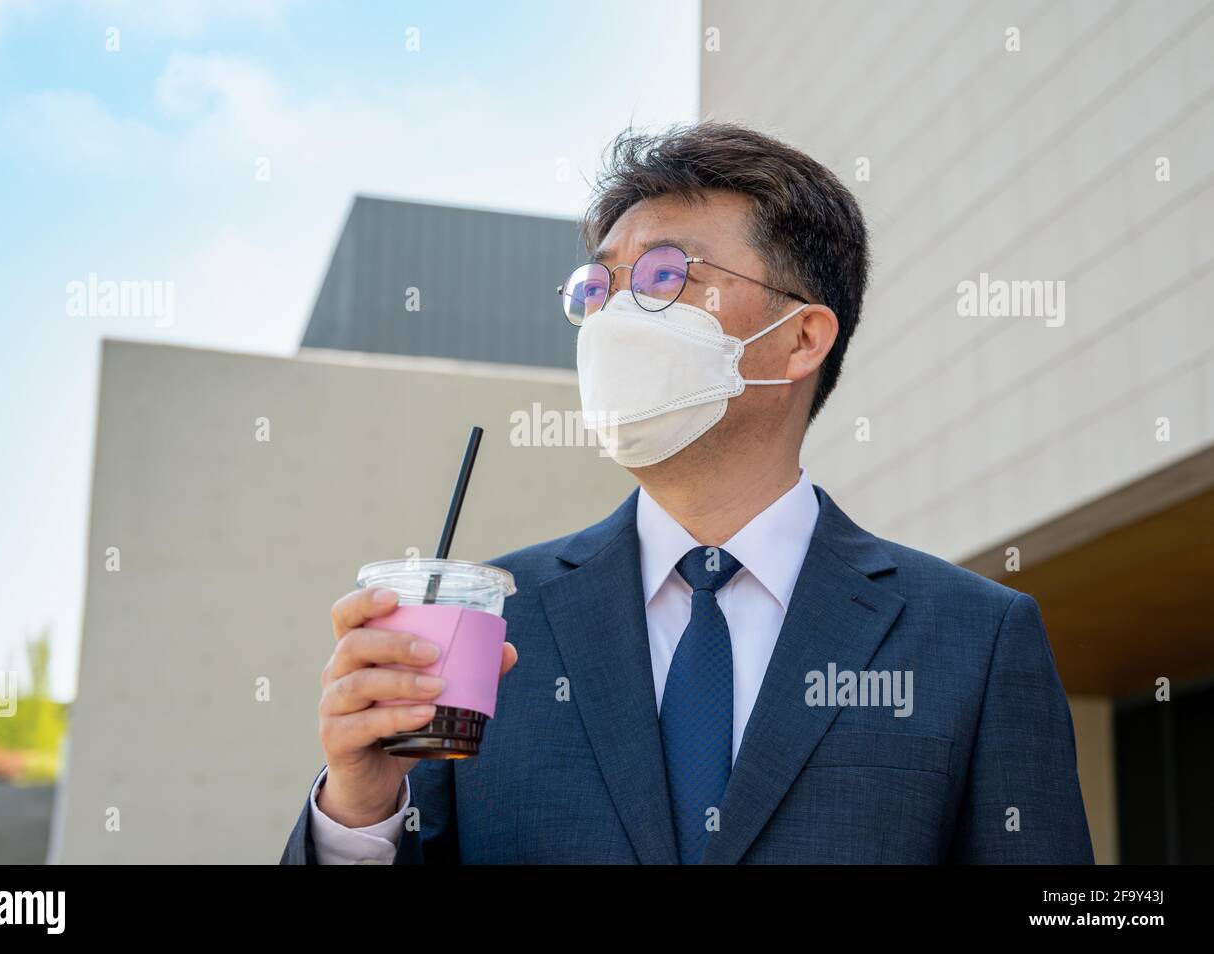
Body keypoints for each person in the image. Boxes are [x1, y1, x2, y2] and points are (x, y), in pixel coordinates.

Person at [280, 122, 1094, 864]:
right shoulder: (488, 629)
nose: (615, 318)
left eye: (667, 275)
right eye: (598, 290)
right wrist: (361, 811)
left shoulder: (974, 640)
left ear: (801, 338)